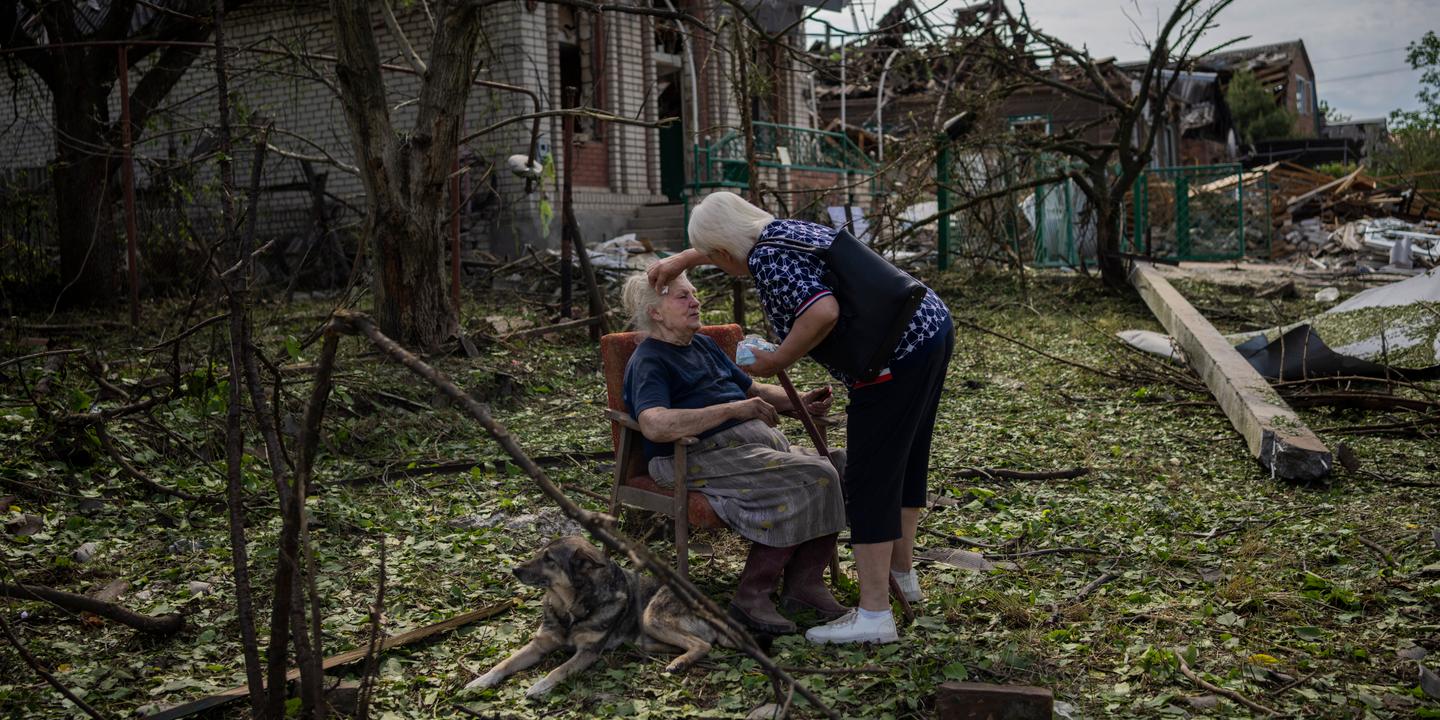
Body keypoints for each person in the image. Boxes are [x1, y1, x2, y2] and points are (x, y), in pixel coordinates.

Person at [647, 191, 954, 645]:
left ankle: (874, 615)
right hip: (926, 329)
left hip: (890, 358)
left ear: (724, 252)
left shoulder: (767, 260)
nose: (697, 294)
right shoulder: (783, 232)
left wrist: (779, 359)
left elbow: (822, 311)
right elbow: (732, 243)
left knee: (870, 479)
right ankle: (900, 577)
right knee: (905, 465)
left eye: (714, 260)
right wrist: (687, 257)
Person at [620, 270, 850, 635]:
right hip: (692, 457)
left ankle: (804, 586)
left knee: (841, 464)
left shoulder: (703, 344)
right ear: (656, 313)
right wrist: (732, 411)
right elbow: (655, 424)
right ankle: (751, 597)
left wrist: (799, 402)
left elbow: (749, 388)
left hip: (747, 449)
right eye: (682, 296)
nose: (695, 301)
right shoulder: (650, 360)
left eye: (693, 293)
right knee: (814, 475)